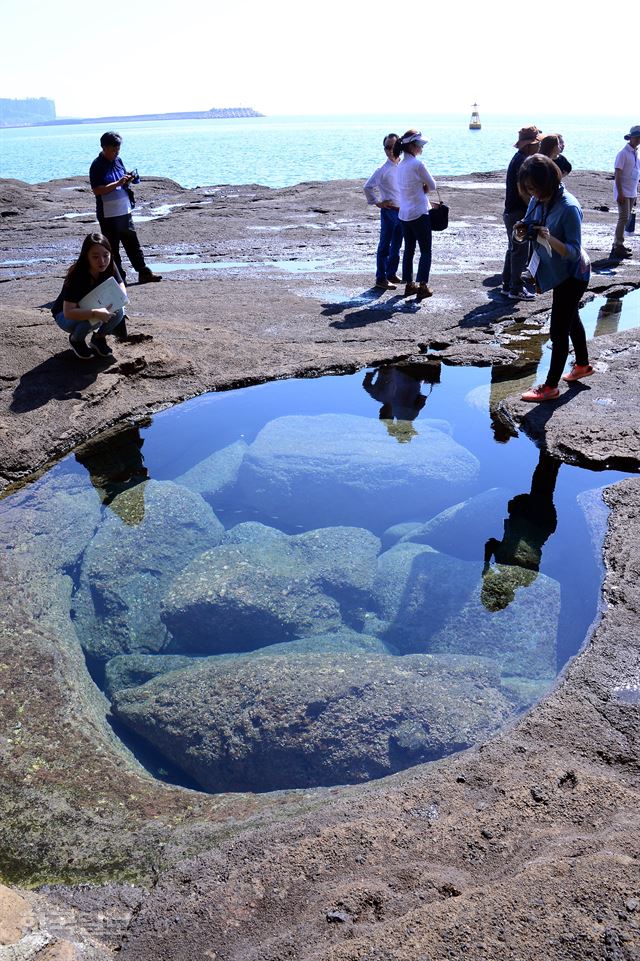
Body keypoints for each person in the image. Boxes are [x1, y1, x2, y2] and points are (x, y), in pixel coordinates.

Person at [514, 155, 592, 403]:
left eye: (535, 188)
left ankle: (550, 387)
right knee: (571, 318)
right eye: (528, 189)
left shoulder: (569, 207)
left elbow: (572, 252)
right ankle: (582, 365)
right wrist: (522, 229)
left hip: (574, 274)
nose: (532, 193)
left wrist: (549, 239)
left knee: (558, 331)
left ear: (548, 181)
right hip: (555, 272)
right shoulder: (538, 200)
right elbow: (528, 223)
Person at [89, 131, 162, 285]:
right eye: (113, 150)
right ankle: (118, 278)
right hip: (108, 214)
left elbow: (122, 180)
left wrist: (129, 179)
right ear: (104, 147)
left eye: (118, 149)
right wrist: (117, 183)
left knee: (133, 245)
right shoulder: (97, 165)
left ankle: (143, 272)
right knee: (113, 249)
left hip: (124, 211)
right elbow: (97, 190)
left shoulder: (118, 160)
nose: (116, 152)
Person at [51, 232, 127, 360]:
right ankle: (76, 340)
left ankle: (98, 338)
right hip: (65, 316)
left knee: (119, 311)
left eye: (105, 255)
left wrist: (120, 297)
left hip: (95, 305)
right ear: (86, 257)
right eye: (95, 257)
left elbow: (120, 283)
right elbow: (68, 312)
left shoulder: (110, 265)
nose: (102, 261)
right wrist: (95, 313)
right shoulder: (77, 276)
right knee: (89, 321)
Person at [393, 130, 437, 301]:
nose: (421, 148)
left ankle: (409, 285)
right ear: (412, 145)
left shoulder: (400, 165)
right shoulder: (417, 165)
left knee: (409, 250)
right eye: (419, 145)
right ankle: (423, 286)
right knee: (426, 250)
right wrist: (423, 188)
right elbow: (432, 185)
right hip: (419, 211)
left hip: (404, 213)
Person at [502, 125, 543, 300]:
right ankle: (516, 288)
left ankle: (507, 284)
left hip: (511, 210)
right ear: (528, 145)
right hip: (518, 211)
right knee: (520, 250)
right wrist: (532, 210)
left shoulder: (518, 158)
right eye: (536, 142)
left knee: (513, 248)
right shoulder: (523, 162)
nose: (539, 146)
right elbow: (522, 191)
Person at [363, 133, 403, 290]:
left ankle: (391, 273)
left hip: (403, 211)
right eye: (387, 147)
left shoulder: (403, 165)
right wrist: (378, 203)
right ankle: (381, 278)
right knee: (385, 245)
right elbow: (367, 186)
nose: (390, 150)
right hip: (389, 211)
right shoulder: (382, 169)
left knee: (397, 244)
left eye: (393, 146)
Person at [611, 124, 640, 260]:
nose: (639, 140)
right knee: (623, 218)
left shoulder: (635, 153)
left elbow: (635, 174)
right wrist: (620, 193)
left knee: (626, 218)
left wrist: (636, 191)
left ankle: (619, 244)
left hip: (632, 192)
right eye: (637, 137)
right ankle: (618, 245)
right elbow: (617, 174)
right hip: (624, 192)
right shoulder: (623, 153)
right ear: (631, 138)